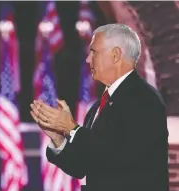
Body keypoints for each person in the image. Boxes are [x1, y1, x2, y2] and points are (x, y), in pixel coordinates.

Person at [30, 23, 169, 191]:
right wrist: (58, 138)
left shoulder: (143, 99)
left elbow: (119, 156)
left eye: (94, 51)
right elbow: (81, 166)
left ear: (116, 55)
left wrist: (72, 129)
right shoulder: (99, 105)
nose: (88, 59)